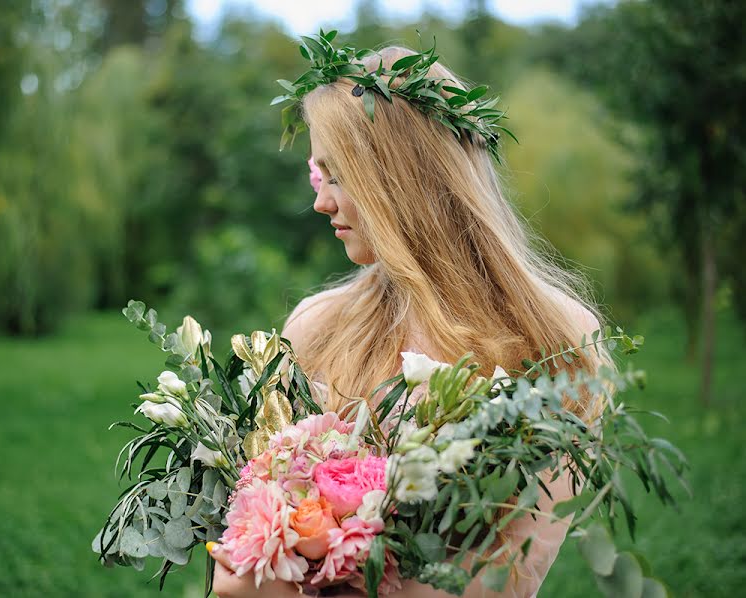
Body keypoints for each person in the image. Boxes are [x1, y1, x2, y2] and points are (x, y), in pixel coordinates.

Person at [210, 45, 612, 597]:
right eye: (318, 175)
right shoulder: (316, 327)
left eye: (339, 176)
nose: (320, 203)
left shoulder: (551, 341)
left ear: (401, 178)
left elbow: (502, 581)